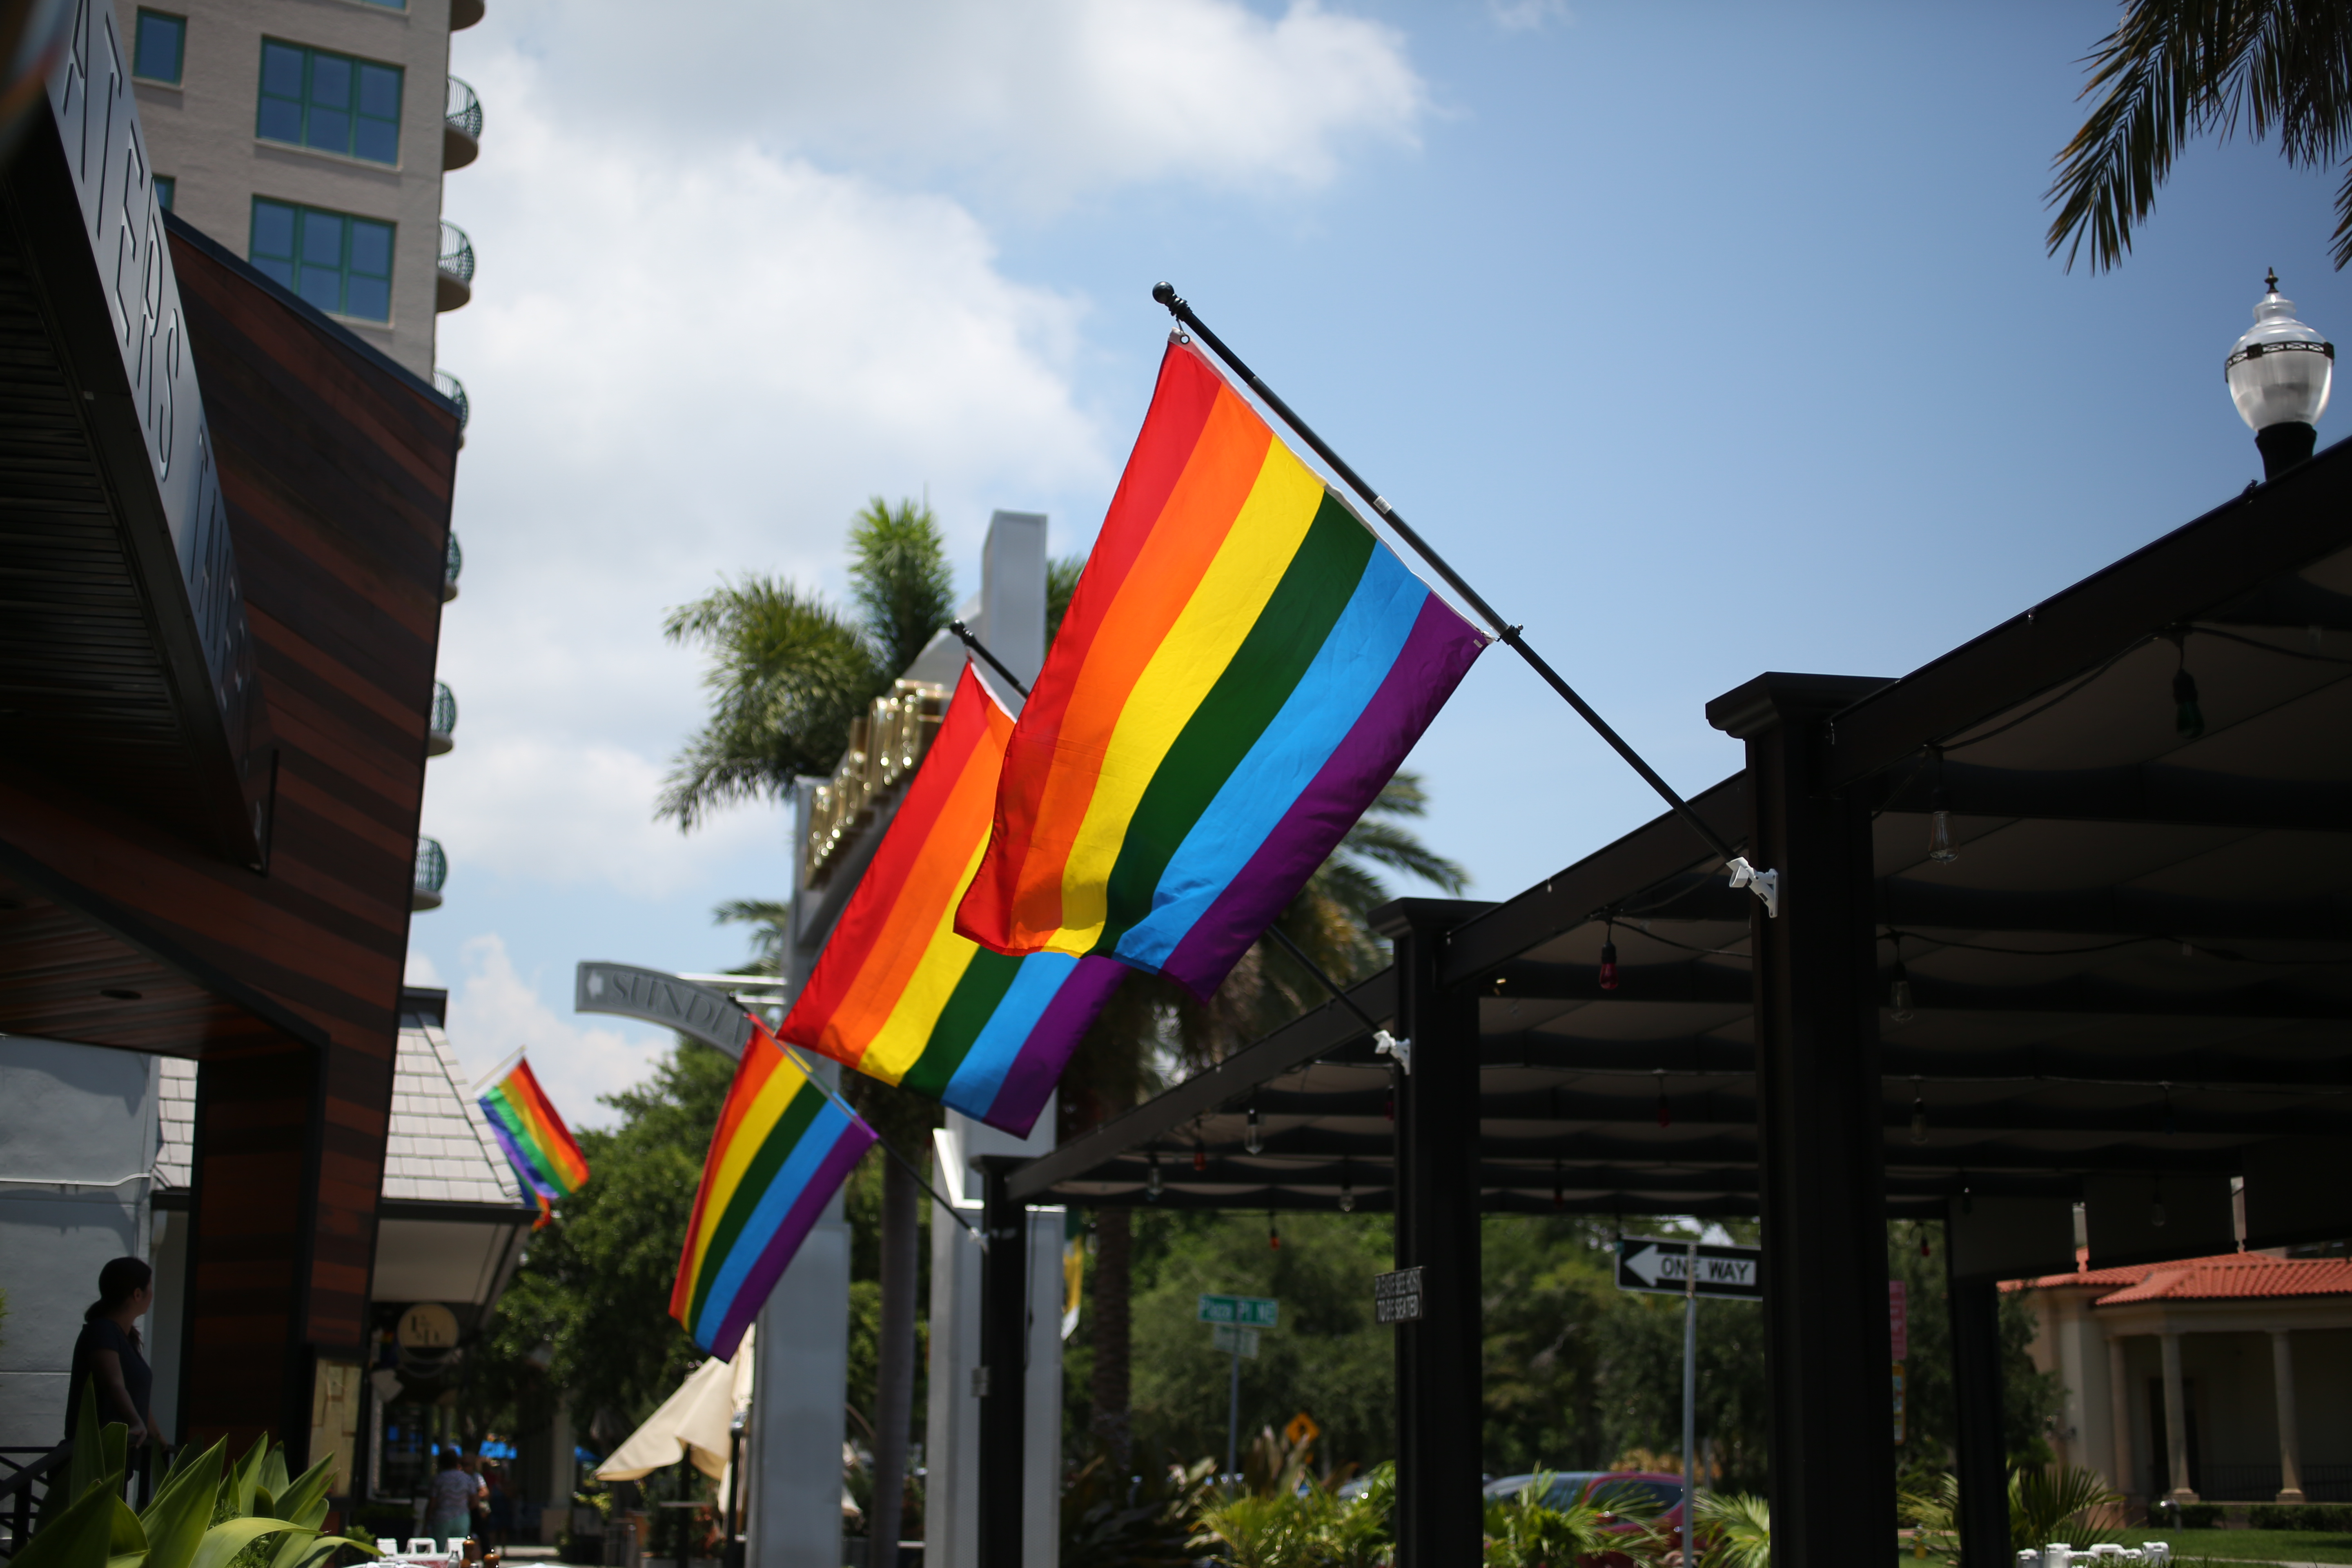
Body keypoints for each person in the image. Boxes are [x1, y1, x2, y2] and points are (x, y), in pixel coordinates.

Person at [64, 1257, 158, 1449]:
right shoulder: (103, 1331)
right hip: (94, 1461)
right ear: (138, 1294)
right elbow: (113, 1384)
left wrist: (156, 1434)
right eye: (150, 1287)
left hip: (113, 1460)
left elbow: (135, 1393)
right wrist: (136, 1423)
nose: (153, 1294)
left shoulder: (125, 1338)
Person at [426, 1446, 476, 1546]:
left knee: (441, 1549)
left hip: (442, 1517)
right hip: (462, 1518)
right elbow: (475, 1502)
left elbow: (433, 1502)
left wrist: (427, 1521)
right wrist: (464, 1509)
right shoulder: (466, 1478)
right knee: (460, 1549)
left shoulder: (439, 1479)